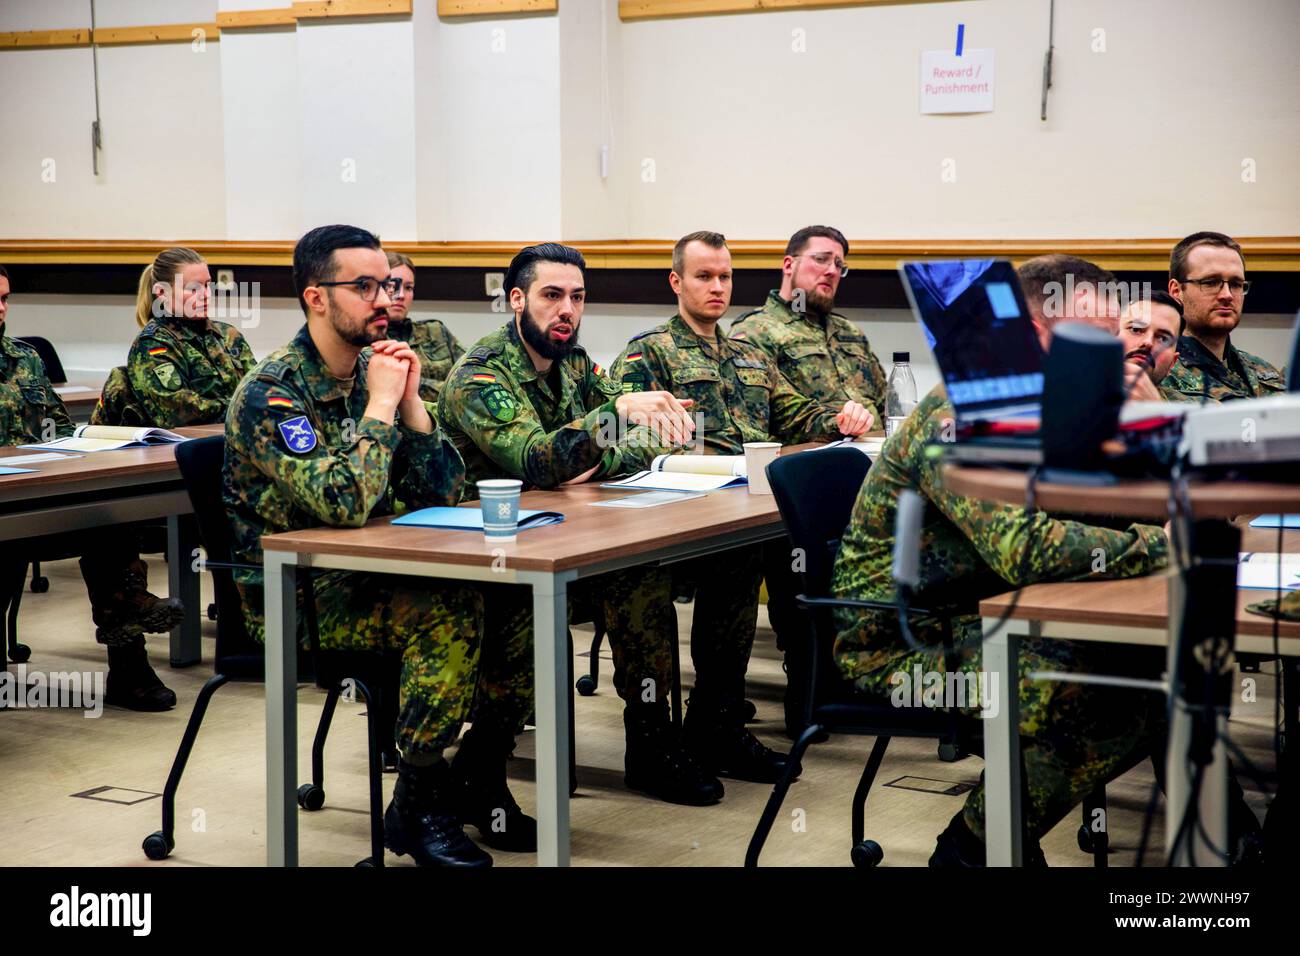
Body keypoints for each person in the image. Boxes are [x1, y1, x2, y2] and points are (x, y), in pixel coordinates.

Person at [831, 254, 1173, 866]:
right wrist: (1160, 547)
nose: (1113, 358)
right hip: (902, 641)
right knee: (1108, 694)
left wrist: (1159, 431)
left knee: (1161, 668)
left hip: (988, 615)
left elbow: (1111, 512)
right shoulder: (962, 415)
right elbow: (1027, 549)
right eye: (1094, 342)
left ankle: (998, 841)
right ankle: (973, 848)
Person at [223, 225, 491, 867]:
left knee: (515, 608)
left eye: (390, 284)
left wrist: (416, 407)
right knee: (449, 610)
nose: (384, 299)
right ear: (316, 298)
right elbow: (343, 502)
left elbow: (445, 493)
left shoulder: (373, 375)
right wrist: (379, 408)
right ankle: (419, 801)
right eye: (364, 286)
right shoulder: (274, 393)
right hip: (297, 594)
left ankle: (478, 776)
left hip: (367, 570)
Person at [439, 242, 729, 821]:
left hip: (564, 533)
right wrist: (609, 426)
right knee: (543, 614)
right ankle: (476, 770)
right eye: (551, 296)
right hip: (484, 552)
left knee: (643, 574)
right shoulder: (480, 374)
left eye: (576, 297)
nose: (566, 309)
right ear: (516, 299)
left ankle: (651, 744)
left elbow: (652, 444)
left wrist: (597, 451)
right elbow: (538, 459)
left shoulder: (573, 361)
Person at [610, 230, 872, 779]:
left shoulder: (749, 353)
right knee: (651, 590)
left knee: (744, 568)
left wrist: (839, 419)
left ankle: (718, 724)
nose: (717, 287)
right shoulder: (649, 350)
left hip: (736, 512)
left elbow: (795, 413)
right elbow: (622, 434)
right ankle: (653, 743)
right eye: (704, 276)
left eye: (725, 276)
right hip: (671, 512)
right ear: (676, 281)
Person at [727, 224, 888, 736]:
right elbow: (764, 412)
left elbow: (887, 406)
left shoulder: (850, 334)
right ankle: (810, 685)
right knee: (803, 560)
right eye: (822, 260)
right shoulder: (755, 333)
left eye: (841, 265)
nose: (832, 272)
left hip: (864, 478)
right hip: (796, 486)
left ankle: (868, 675)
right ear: (789, 265)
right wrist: (833, 420)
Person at [0, 265, 183, 711]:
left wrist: (82, 445)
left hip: (35, 493)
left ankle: (129, 655)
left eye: (5, 298)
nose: (1, 309)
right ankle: (124, 611)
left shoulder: (22, 358)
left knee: (108, 520)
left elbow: (60, 428)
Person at [126, 247, 256, 427]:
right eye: (192, 288)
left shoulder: (228, 335)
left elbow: (258, 389)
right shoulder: (154, 344)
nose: (205, 295)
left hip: (237, 439)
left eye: (207, 285)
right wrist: (246, 409)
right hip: (189, 446)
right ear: (162, 293)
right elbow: (179, 412)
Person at [1161, 231, 1286, 402]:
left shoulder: (1263, 370)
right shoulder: (1159, 374)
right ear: (1176, 291)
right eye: (1210, 282)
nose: (1227, 295)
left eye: (1235, 284)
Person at [384, 251, 464, 403]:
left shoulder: (435, 331)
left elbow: (472, 373)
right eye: (393, 286)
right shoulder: (367, 342)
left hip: (449, 421)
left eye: (408, 288)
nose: (401, 295)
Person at [1118, 290, 1184, 402]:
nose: (1148, 342)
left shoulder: (1201, 413)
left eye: (1163, 339)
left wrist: (1156, 411)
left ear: (1173, 362)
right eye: (1136, 329)